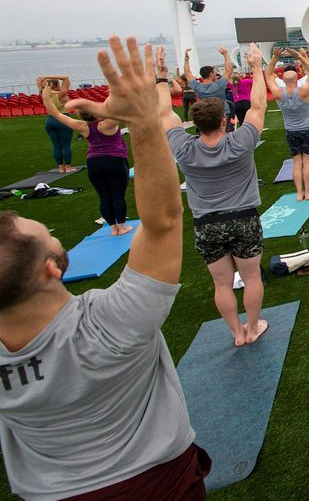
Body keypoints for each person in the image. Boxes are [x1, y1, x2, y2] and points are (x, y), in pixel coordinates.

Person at [0, 37, 211, 500]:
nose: (50, 231)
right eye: (46, 232)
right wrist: (143, 120)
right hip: (156, 482)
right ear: (53, 268)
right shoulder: (110, 325)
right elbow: (162, 221)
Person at [166, 43, 270, 348]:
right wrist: (254, 66)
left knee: (222, 283)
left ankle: (237, 332)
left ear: (195, 124)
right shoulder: (240, 143)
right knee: (251, 278)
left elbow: (166, 116)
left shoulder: (184, 148)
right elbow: (259, 106)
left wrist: (161, 79)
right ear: (224, 121)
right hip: (243, 218)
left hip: (206, 223)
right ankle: (252, 327)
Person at [42, 86, 133, 236]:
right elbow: (120, 109)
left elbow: (55, 113)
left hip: (94, 163)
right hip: (115, 161)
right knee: (117, 195)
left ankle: (113, 228)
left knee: (104, 196)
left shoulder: (82, 126)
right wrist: (114, 92)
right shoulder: (108, 124)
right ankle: (122, 227)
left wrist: (46, 97)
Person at [268, 48, 309, 201]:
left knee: (297, 162)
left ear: (284, 81)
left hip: (291, 131)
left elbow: (268, 75)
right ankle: (308, 192)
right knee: (308, 161)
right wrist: (298, 56)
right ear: (297, 79)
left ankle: (299, 194)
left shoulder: (278, 94)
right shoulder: (303, 92)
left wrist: (275, 58)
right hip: (308, 129)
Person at [36, 74, 76, 173]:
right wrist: (46, 76)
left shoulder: (44, 93)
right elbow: (66, 77)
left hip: (50, 120)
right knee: (66, 145)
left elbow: (39, 82)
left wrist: (43, 80)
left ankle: (60, 168)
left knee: (56, 146)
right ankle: (68, 167)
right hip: (63, 119)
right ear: (58, 84)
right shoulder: (61, 94)